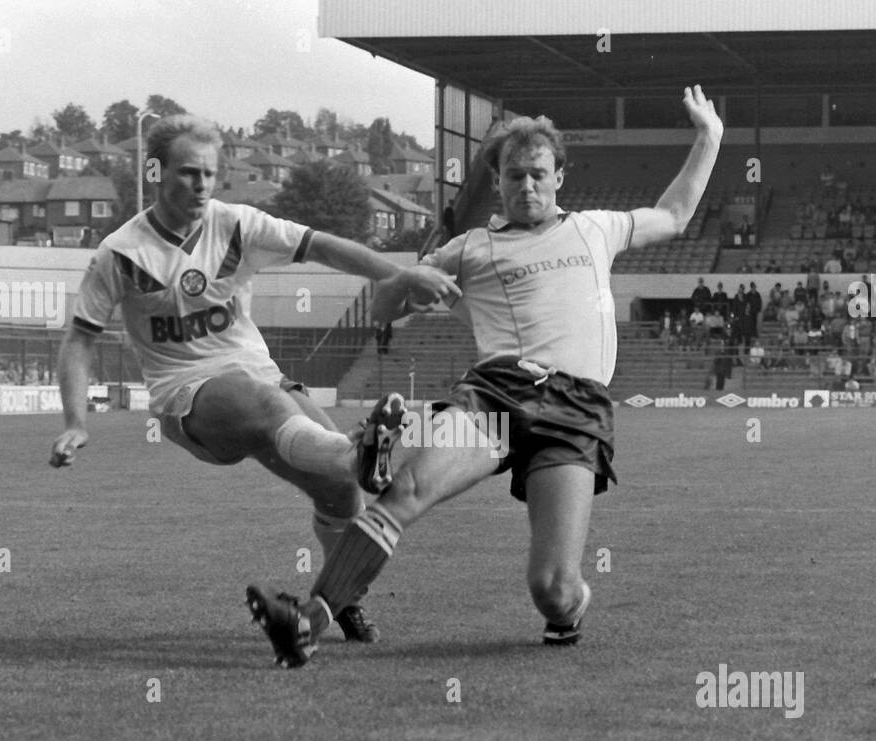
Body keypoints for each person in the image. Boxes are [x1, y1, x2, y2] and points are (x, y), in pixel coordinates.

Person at [246, 86, 723, 667]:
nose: (527, 186)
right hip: (495, 396)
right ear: (496, 181)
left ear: (559, 178)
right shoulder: (468, 248)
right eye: (514, 175)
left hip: (575, 411)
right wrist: (406, 285)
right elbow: (382, 309)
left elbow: (674, 215)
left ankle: (568, 608)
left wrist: (710, 136)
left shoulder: (598, 229)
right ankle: (307, 624)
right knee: (407, 491)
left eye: (539, 175)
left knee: (552, 589)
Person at [48, 114, 457, 650]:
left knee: (340, 492)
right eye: (189, 172)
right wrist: (76, 423)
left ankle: (335, 602)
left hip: (264, 380)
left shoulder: (237, 224)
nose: (201, 185)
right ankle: (358, 451)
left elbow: (324, 246)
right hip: (187, 396)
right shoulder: (120, 253)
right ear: (155, 172)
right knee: (265, 403)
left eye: (210, 174)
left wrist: (397, 275)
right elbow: (79, 338)